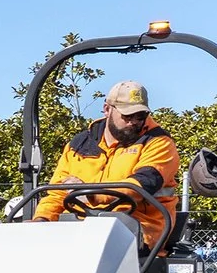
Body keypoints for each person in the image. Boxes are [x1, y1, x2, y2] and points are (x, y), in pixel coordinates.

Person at [34, 79, 182, 250]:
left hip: (139, 227)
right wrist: (42, 220)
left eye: (140, 116)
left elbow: (140, 185)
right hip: (79, 227)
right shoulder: (78, 145)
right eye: (127, 115)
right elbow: (57, 193)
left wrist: (90, 194)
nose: (134, 122)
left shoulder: (158, 142)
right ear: (107, 109)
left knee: (98, 245)